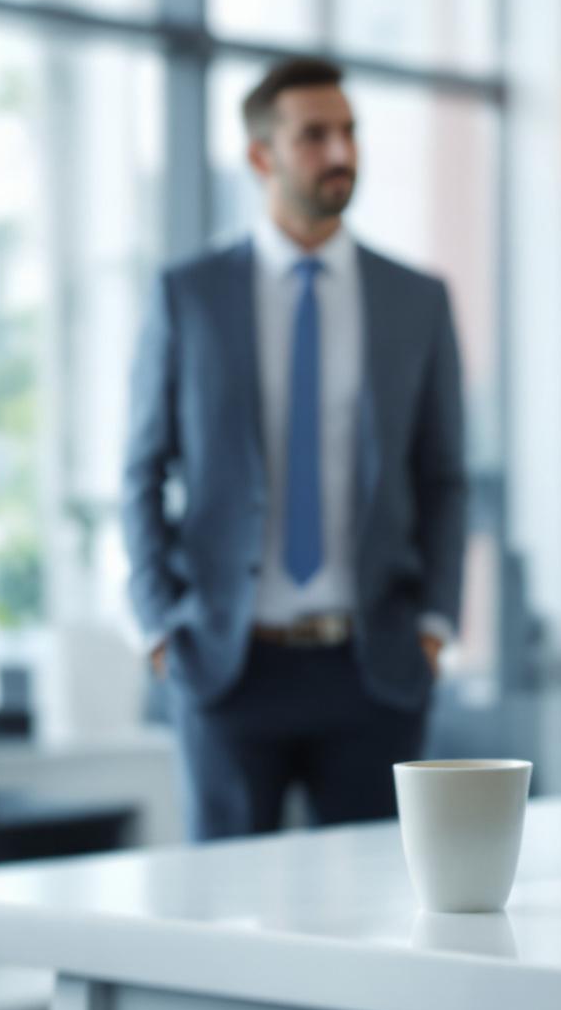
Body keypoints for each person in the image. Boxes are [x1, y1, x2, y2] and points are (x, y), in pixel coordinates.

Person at [120, 56, 465, 841]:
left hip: (374, 667)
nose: (340, 152)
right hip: (229, 664)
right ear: (260, 155)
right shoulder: (189, 296)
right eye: (314, 135)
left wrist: (436, 620)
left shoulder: (416, 299)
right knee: (226, 902)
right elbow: (142, 469)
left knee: (379, 896)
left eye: (349, 131)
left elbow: (443, 475)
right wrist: (158, 623)